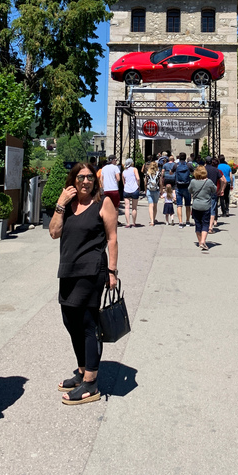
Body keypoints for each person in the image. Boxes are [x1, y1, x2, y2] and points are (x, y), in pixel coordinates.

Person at [50, 162, 118, 404]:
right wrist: (60, 204)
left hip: (92, 271)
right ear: (73, 180)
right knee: (70, 322)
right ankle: (81, 371)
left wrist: (112, 271)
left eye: (90, 177)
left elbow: (112, 238)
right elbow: (54, 232)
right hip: (68, 270)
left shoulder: (103, 203)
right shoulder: (67, 206)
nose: (86, 181)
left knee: (88, 323)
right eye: (81, 177)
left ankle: (91, 382)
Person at [189, 165, 217, 251]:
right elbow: (214, 189)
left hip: (196, 205)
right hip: (206, 205)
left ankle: (200, 241)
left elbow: (189, 190)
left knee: (198, 224)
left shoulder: (193, 181)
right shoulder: (208, 182)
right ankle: (203, 241)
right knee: (205, 224)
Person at [206, 158, 225, 233]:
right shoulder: (216, 170)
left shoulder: (203, 169)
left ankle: (204, 226)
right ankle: (210, 227)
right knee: (212, 209)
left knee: (204, 208)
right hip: (213, 190)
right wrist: (221, 189)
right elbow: (223, 180)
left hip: (204, 191)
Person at [175, 152, 193, 229]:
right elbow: (193, 172)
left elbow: (171, 172)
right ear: (185, 158)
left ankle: (180, 222)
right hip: (187, 186)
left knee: (179, 205)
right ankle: (188, 221)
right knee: (188, 205)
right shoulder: (188, 165)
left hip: (178, 186)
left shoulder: (176, 165)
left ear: (179, 158)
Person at [122, 158, 140, 228]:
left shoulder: (124, 172)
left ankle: (128, 223)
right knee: (134, 208)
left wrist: (125, 186)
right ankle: (134, 222)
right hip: (134, 189)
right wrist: (138, 185)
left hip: (126, 190)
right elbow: (138, 178)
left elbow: (123, 181)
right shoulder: (134, 169)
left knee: (127, 207)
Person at [145, 160, 161, 225]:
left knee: (150, 205)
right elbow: (160, 183)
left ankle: (152, 221)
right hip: (156, 190)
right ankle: (154, 219)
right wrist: (161, 191)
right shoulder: (158, 173)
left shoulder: (147, 173)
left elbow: (145, 182)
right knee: (155, 205)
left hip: (149, 190)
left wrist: (145, 190)